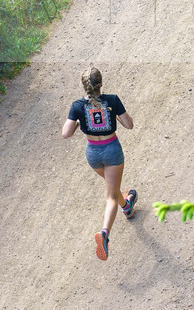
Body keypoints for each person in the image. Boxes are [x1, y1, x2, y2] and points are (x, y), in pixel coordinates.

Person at [61, 67, 136, 261]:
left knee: (114, 187)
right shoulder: (112, 100)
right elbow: (129, 124)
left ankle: (127, 206)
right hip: (111, 150)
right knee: (111, 195)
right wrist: (118, 117)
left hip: (93, 154)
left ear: (84, 86)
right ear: (100, 83)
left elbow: (65, 133)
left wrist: (78, 123)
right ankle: (104, 234)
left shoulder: (77, 106)